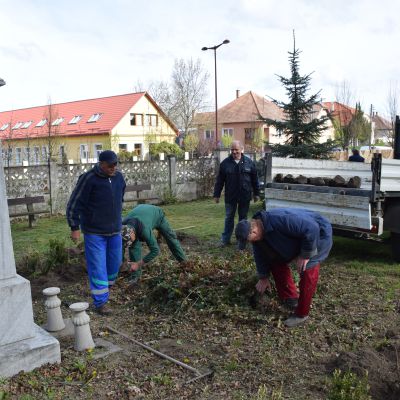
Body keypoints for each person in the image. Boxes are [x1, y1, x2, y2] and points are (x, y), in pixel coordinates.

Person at [235, 208, 333, 327]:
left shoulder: (279, 221)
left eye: (248, 241)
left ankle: (302, 314)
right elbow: (260, 254)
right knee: (275, 261)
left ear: (254, 231)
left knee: (307, 270)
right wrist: (263, 276)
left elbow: (311, 228)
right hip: (297, 238)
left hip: (318, 234)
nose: (250, 243)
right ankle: (290, 297)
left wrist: (306, 254)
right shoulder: (258, 236)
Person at [66, 150, 126, 316]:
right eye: (110, 166)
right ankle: (100, 303)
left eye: (115, 165)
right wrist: (74, 227)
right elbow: (74, 203)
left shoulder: (119, 178)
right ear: (101, 164)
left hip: (114, 230)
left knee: (115, 264)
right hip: (94, 233)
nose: (113, 168)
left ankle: (105, 292)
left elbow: (119, 198)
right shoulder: (88, 179)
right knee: (98, 267)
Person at [121, 204, 187, 284]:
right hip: (140, 214)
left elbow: (155, 250)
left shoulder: (145, 231)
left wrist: (139, 264)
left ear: (133, 234)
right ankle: (135, 276)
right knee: (133, 247)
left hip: (156, 214)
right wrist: (121, 263)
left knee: (171, 239)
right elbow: (120, 247)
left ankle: (185, 263)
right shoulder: (122, 226)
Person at [213, 140, 260, 247]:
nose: (234, 152)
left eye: (236, 149)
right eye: (232, 149)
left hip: (245, 196)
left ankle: (241, 241)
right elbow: (219, 181)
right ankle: (225, 240)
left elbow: (254, 180)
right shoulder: (225, 164)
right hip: (231, 196)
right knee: (229, 217)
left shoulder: (249, 163)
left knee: (243, 219)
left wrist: (256, 193)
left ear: (241, 149)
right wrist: (216, 195)